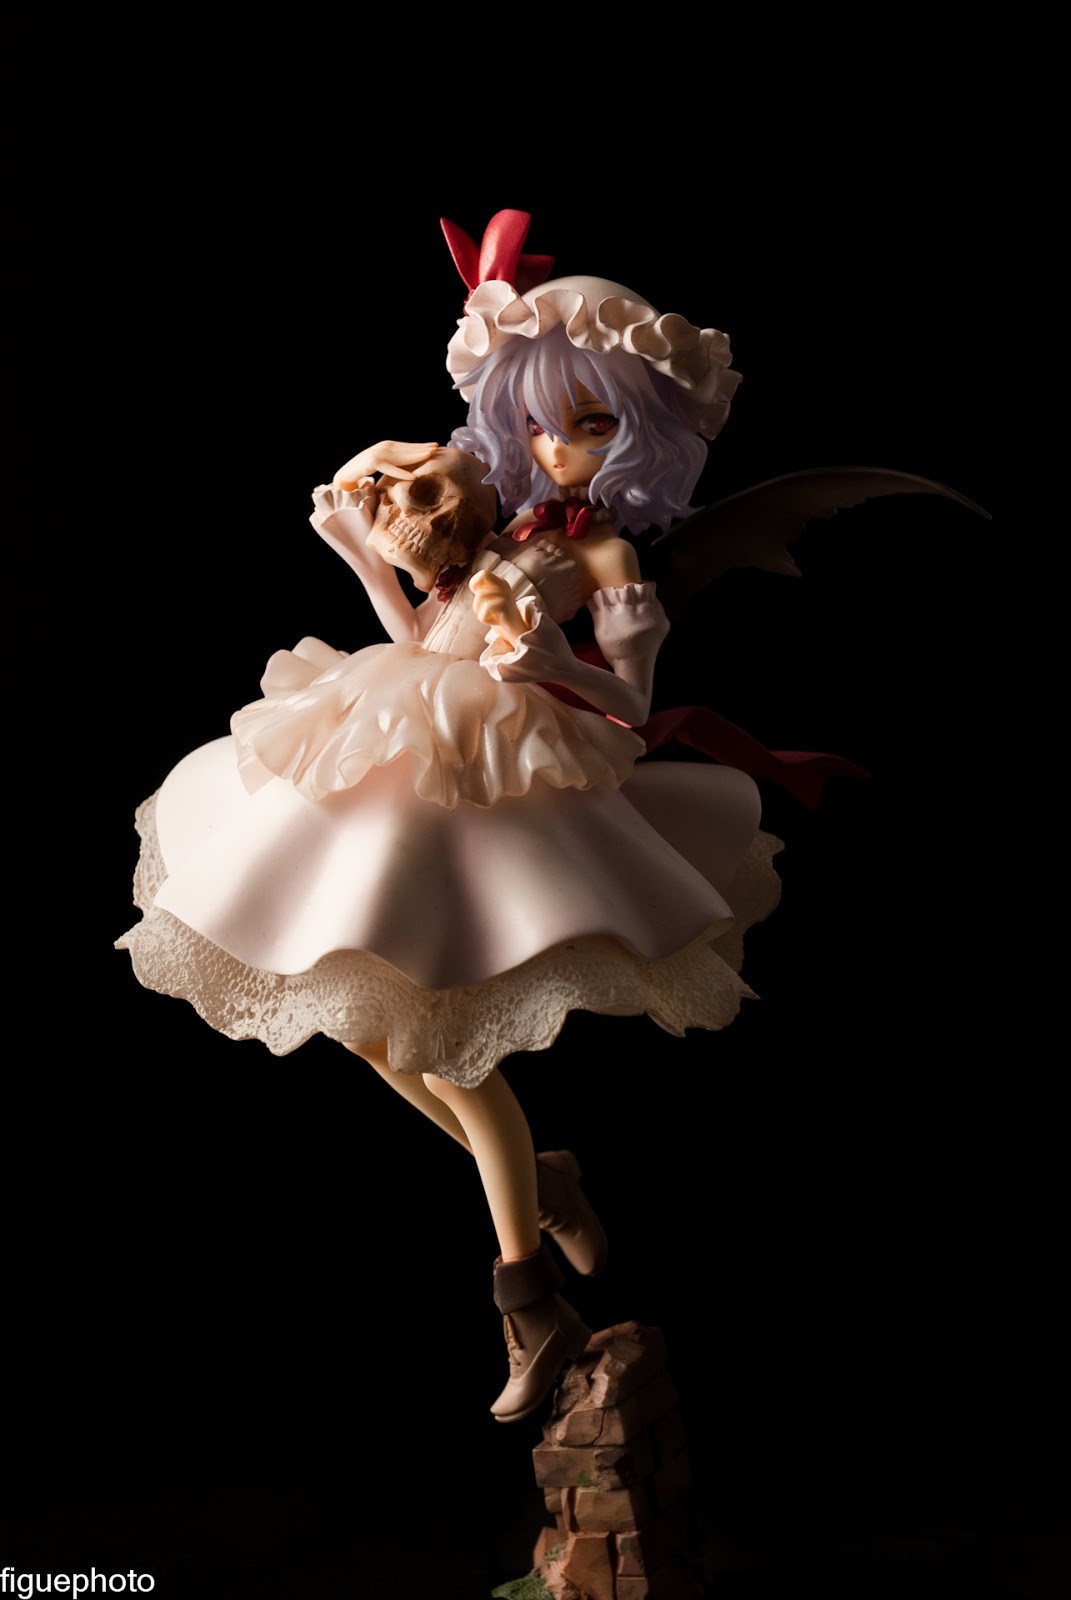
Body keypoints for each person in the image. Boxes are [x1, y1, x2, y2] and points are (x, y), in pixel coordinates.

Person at [117, 212, 780, 1422]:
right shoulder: (502, 524)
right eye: (540, 421)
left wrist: (555, 664)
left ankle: (528, 1294)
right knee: (374, 1032)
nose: (555, 446)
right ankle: (542, 1184)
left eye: (591, 425)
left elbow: (631, 705)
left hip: (493, 773)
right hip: (392, 735)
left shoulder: (609, 561)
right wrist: (361, 557)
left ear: (643, 434)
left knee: (438, 1037)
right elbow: (423, 639)